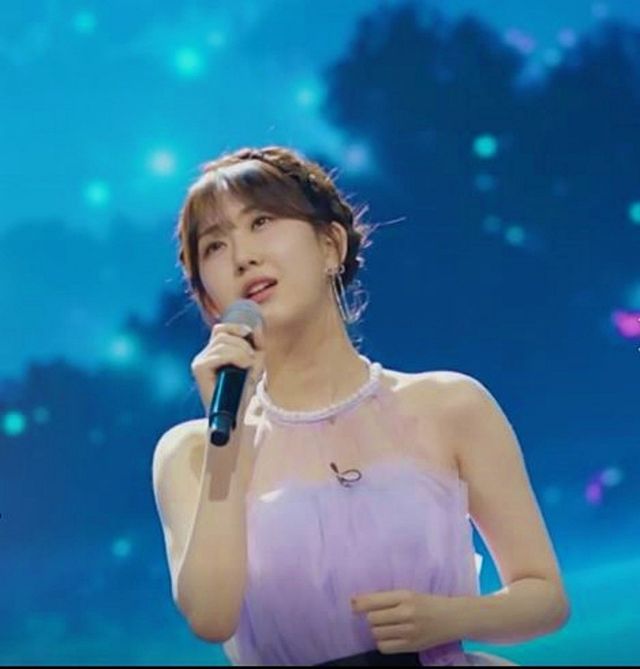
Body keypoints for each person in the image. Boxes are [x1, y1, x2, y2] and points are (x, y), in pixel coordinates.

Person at [152, 145, 570, 666]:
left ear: (330, 245)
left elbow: (544, 596)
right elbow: (211, 618)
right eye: (215, 245)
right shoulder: (194, 452)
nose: (243, 256)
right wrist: (227, 441)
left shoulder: (450, 405)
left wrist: (450, 617)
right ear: (210, 299)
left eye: (261, 222)